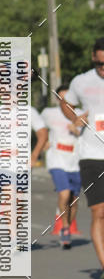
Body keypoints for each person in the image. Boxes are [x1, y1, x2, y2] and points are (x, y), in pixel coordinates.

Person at [60, 38, 104, 279]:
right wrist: (74, 118)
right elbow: (65, 101)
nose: (103, 69)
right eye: (99, 64)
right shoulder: (81, 81)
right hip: (91, 155)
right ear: (92, 58)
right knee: (99, 211)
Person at [37, 86, 81, 249]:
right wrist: (44, 141)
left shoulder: (81, 114)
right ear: (57, 100)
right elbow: (38, 128)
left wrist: (78, 131)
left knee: (74, 201)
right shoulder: (49, 113)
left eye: (68, 99)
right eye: (62, 99)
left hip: (76, 161)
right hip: (56, 160)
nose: (65, 103)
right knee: (64, 194)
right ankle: (64, 227)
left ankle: (68, 224)